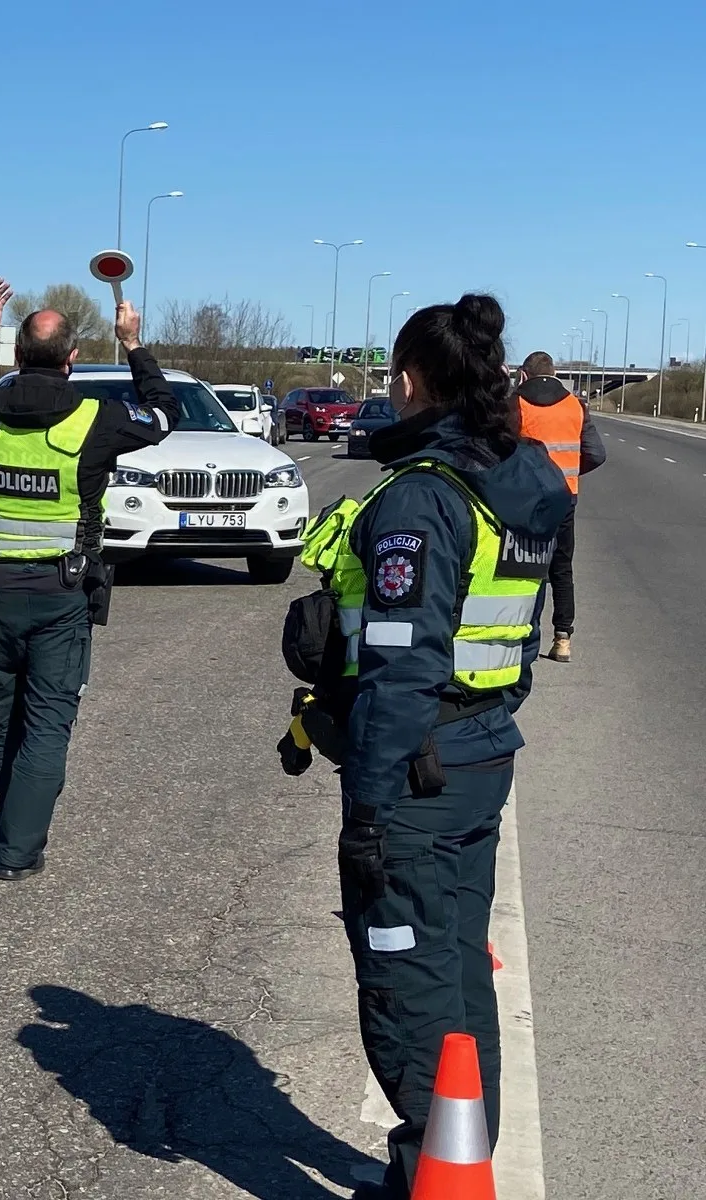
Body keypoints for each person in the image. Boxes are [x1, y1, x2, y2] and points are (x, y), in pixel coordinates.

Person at [302, 296, 570, 1199]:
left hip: (419, 771)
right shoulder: (517, 476)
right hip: (483, 754)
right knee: (456, 973)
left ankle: (434, 1175)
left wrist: (369, 812)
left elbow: (402, 666)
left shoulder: (423, 496)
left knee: (406, 984)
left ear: (410, 381)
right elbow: (511, 635)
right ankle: (455, 1163)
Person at [0, 279, 182, 881]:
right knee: (47, 721)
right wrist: (133, 346)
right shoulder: (95, 419)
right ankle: (16, 851)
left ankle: (13, 815)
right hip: (62, 594)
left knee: (4, 710)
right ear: (72, 359)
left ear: (15, 356)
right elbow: (164, 416)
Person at [514, 350, 605, 662]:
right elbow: (597, 453)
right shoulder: (575, 405)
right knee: (562, 568)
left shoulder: (515, 403)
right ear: (554, 374)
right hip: (565, 497)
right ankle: (562, 638)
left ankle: (525, 632)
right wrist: (568, 471)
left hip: (523, 499)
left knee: (524, 565)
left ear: (524, 375)